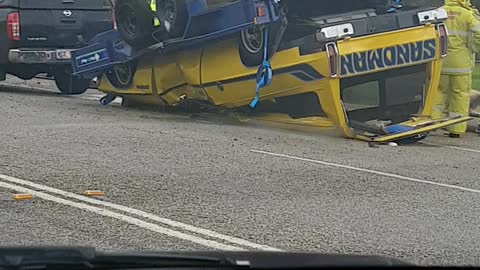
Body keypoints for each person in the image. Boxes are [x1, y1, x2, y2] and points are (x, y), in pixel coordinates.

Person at [432, 0, 480, 138]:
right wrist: (474, 47)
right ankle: (456, 129)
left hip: (441, 60)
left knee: (439, 93)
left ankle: (432, 123)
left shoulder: (439, 11)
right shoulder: (468, 14)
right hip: (461, 64)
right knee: (460, 95)